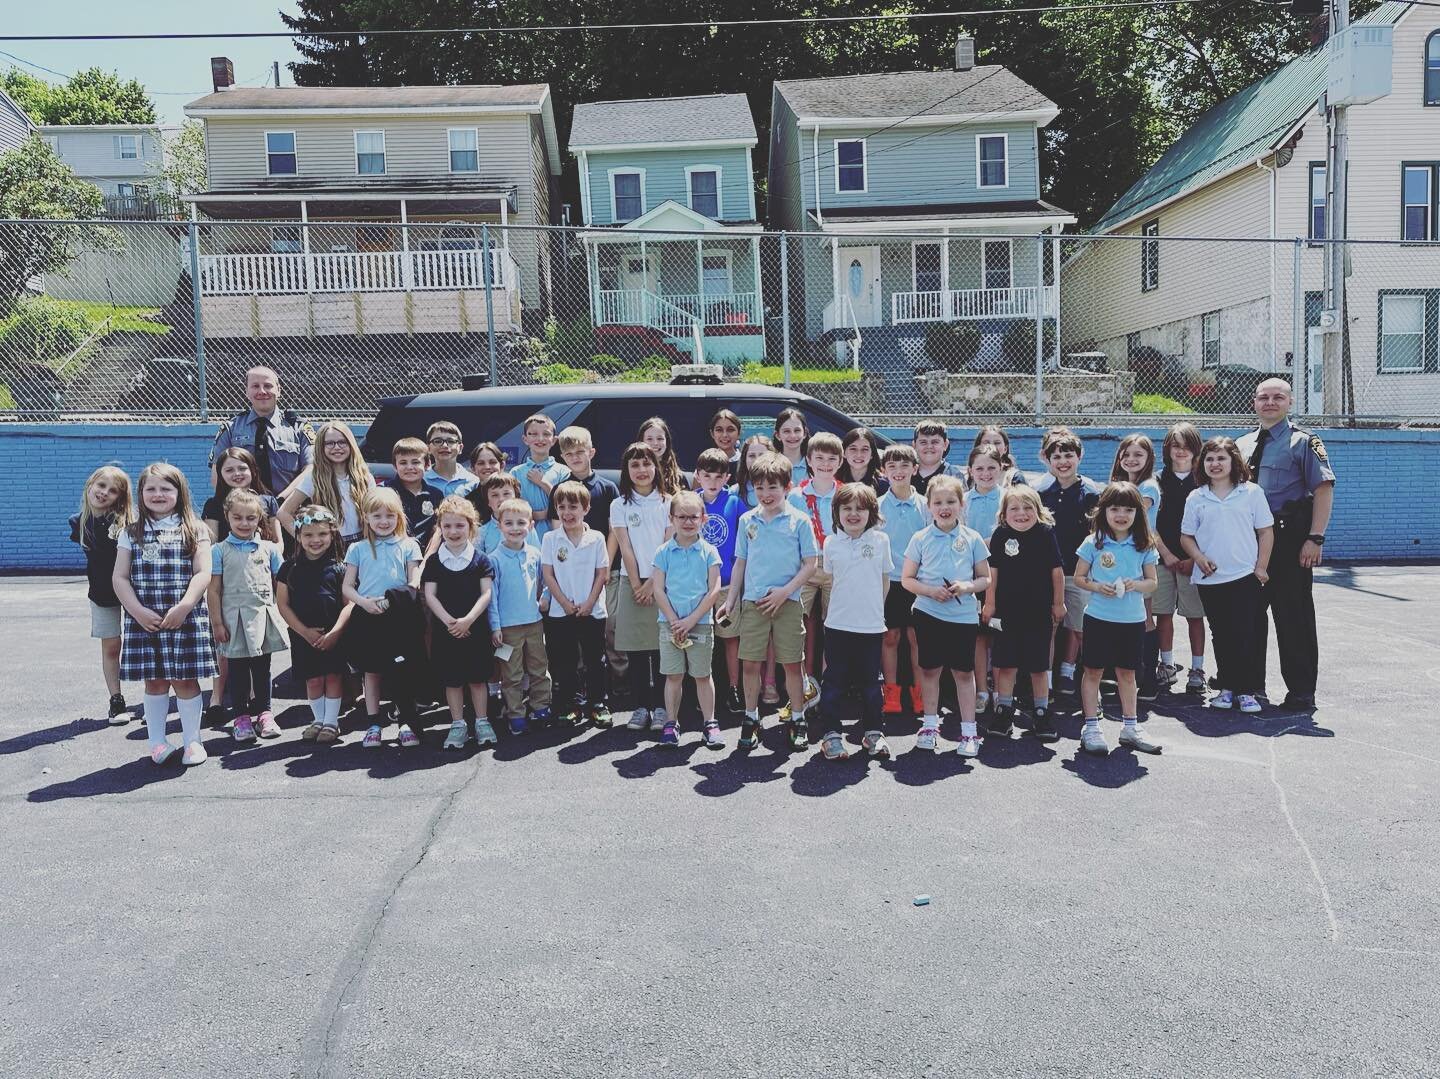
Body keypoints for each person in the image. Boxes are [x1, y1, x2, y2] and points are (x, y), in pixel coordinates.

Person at [1234, 378, 1335, 709]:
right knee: (1248, 616)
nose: (1270, 402)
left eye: (1278, 397)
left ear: (1290, 402)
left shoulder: (1304, 442)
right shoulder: (1241, 444)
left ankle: (1301, 691)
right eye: (1264, 397)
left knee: (1294, 617)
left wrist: (1315, 538)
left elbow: (1323, 489)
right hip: (1249, 542)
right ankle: (1251, 687)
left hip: (1289, 540)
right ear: (1254, 402)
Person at [112, 463, 215, 767]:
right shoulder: (130, 532)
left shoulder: (195, 529)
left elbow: (203, 572)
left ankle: (192, 741)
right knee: (155, 682)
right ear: (140, 493)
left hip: (185, 618)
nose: (158, 494)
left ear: (179, 493)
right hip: (145, 621)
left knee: (184, 681)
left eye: (166, 488)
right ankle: (157, 742)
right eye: (151, 489)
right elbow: (119, 577)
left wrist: (185, 606)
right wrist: (137, 611)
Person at [720, 451, 818, 752]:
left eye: (772, 487)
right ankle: (751, 718)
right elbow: (740, 563)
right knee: (750, 663)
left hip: (787, 603)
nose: (765, 494)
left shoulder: (799, 521)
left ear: (787, 487)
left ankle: (798, 718)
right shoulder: (748, 520)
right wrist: (731, 600)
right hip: (754, 603)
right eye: (759, 487)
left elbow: (810, 563)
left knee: (792, 664)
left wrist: (784, 591)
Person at [1181, 437, 1274, 715]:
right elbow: (1186, 537)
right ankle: (1227, 688)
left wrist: (1261, 567)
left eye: (1221, 458)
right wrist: (1198, 558)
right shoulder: (1196, 497)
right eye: (1209, 459)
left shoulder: (1251, 492)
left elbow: (1266, 532)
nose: (1215, 464)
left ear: (1234, 461)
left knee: (1245, 634)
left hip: (1245, 576)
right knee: (1220, 635)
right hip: (1210, 579)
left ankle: (1247, 691)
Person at [901, 475, 990, 758]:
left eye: (951, 501)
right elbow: (907, 579)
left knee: (964, 673)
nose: (944, 507)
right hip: (928, 614)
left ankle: (968, 732)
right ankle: (929, 726)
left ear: (962, 504)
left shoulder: (972, 538)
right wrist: (929, 591)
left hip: (963, 617)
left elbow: (985, 578)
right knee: (929, 670)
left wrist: (967, 586)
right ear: (928, 506)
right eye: (938, 502)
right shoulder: (920, 538)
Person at [1073, 482, 1161, 756]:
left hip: (1132, 621)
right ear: (1104, 511)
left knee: (1127, 674)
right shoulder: (1093, 541)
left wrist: (1136, 584)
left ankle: (1130, 727)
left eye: (1128, 509)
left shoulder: (1144, 544)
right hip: (1099, 618)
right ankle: (1091, 726)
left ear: (1138, 513)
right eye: (1114, 509)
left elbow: (1153, 583)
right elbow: (1079, 578)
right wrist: (1098, 587)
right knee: (1093, 672)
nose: (1121, 515)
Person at [341, 487, 424, 749]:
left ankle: (405, 722)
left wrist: (396, 598)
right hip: (368, 616)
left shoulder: (409, 545)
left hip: (399, 616)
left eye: (389, 515)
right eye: (377, 516)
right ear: (366, 518)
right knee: (372, 671)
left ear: (399, 516)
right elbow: (347, 587)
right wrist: (365, 603)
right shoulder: (357, 548)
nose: (383, 521)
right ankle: (374, 724)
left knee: (402, 670)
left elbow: (414, 580)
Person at [981, 486, 1064, 741]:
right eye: (1014, 508)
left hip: (1038, 612)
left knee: (1039, 667)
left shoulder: (1046, 534)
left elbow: (1057, 573)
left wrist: (1058, 603)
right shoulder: (1000, 535)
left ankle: (1041, 712)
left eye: (1028, 507)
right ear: (1004, 513)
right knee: (1006, 665)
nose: (1022, 513)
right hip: (1005, 613)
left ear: (1038, 511)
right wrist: (989, 603)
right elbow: (991, 574)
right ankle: (1004, 711)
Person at [207, 490, 288, 743]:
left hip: (262, 616)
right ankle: (241, 717)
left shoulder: (270, 549)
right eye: (238, 518)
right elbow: (214, 590)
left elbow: (280, 586)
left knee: (263, 669)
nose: (244, 523)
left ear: (259, 518)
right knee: (238, 670)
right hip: (233, 620)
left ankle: (264, 713)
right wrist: (217, 622)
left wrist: (284, 615)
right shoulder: (218, 551)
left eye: (251, 518)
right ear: (227, 517)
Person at [817, 483, 891, 761]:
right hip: (838, 626)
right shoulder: (831, 542)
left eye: (860, 508)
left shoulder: (881, 541)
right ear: (836, 512)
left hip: (871, 627)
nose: (853, 514)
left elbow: (884, 582)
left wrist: (873, 612)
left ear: (871, 512)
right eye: (846, 508)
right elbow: (833, 580)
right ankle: (831, 735)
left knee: (871, 684)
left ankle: (873, 733)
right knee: (834, 682)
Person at [552, 425, 623, 707]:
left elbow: (614, 529)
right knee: (575, 642)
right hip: (570, 577)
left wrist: (602, 565)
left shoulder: (607, 487)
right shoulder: (560, 489)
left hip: (606, 569)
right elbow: (559, 534)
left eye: (580, 452)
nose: (575, 457)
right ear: (563, 457)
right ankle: (578, 691)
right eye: (569, 454)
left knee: (609, 632)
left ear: (591, 452)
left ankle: (617, 685)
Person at [421, 496, 497, 751]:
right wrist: (448, 621)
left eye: (459, 526)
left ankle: (482, 721)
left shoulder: (481, 559)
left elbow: (486, 593)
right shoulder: (433, 562)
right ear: (440, 528)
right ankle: (457, 724)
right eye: (447, 526)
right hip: (446, 631)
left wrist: (468, 620)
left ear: (471, 527)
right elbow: (429, 594)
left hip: (475, 630)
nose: (453, 532)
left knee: (477, 678)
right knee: (452, 680)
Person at [651, 491, 724, 749]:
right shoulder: (663, 552)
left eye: (694, 516)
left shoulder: (709, 551)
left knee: (703, 675)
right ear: (672, 518)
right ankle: (671, 723)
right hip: (670, 624)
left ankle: (710, 723)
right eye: (681, 516)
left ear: (703, 519)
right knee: (674, 675)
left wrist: (691, 620)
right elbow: (658, 589)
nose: (688, 522)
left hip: (700, 623)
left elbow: (714, 589)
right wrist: (673, 620)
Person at [610, 443, 674, 732]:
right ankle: (640, 707)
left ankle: (661, 707)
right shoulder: (619, 504)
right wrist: (637, 584)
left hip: (662, 582)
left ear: (656, 467)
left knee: (661, 648)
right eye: (634, 465)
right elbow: (625, 546)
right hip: (630, 582)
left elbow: (667, 545)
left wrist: (652, 583)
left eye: (647, 464)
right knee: (636, 650)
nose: (641, 470)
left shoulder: (668, 502)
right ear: (627, 470)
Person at [1035, 428, 1102, 698]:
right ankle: (1047, 679)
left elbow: (1096, 534)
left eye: (1068, 455)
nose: (1063, 461)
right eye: (1057, 456)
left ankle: (1068, 671)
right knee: (1048, 627)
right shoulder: (1041, 493)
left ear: (1079, 456)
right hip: (1048, 572)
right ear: (1048, 460)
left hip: (1078, 572)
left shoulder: (1090, 493)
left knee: (1078, 626)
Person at [276, 505, 352, 744]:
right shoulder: (289, 568)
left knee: (332, 677)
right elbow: (283, 604)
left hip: (333, 635)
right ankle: (318, 719)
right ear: (298, 536)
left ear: (332, 534)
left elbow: (349, 604)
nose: (316, 540)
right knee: (313, 679)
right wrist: (304, 631)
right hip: (303, 635)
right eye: (308, 535)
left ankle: (331, 722)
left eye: (322, 534)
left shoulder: (341, 567)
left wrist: (336, 632)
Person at [541, 481, 611, 728]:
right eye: (562, 507)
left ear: (586, 508)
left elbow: (602, 573)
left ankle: (597, 704)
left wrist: (590, 602)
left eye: (573, 506)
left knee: (595, 660)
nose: (567, 512)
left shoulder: (596, 538)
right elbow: (548, 575)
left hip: (592, 610)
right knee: (566, 661)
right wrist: (564, 603)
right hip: (562, 611)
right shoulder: (550, 538)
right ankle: (571, 704)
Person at [70, 465, 133, 723]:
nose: (104, 492)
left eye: (113, 490)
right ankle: (116, 700)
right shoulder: (78, 523)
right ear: (90, 485)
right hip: (101, 593)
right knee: (111, 646)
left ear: (120, 497)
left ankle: (156, 697)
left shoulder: (124, 524)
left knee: (147, 643)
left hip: (133, 591)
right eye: (101, 486)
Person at [489, 496, 553, 734]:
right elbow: (491, 597)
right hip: (507, 628)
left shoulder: (535, 554)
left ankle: (541, 706)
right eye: (509, 523)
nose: (515, 528)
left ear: (530, 525)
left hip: (534, 623)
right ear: (499, 526)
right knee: (511, 673)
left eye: (520, 522)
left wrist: (545, 597)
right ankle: (515, 713)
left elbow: (546, 582)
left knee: (539, 667)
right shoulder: (494, 560)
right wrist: (495, 626)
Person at [1153, 422, 1208, 695]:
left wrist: (1193, 558)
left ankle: (1198, 669)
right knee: (1163, 614)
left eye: (1187, 446)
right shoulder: (1156, 481)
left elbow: (1210, 526)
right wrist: (1168, 555)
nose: (1181, 451)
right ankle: (1166, 665)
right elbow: (1150, 525)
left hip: (1194, 563)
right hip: (1163, 560)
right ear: (1167, 449)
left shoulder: (1205, 481)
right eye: (1176, 445)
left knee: (1195, 616)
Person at [789, 431, 842, 704]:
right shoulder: (796, 496)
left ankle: (829, 682)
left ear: (840, 462)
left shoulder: (843, 494)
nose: (825, 463)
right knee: (796, 623)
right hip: (805, 565)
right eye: (819, 458)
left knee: (833, 626)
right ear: (808, 460)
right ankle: (802, 684)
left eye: (831, 458)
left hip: (835, 567)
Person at [1111, 433, 1164, 700]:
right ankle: (1123, 674)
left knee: (1144, 617)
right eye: (1126, 454)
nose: (1131, 459)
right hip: (1119, 555)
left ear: (1149, 458)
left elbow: (1133, 518)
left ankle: (1148, 678)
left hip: (1138, 557)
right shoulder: (1121, 484)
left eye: (1138, 455)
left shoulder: (1148, 487)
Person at [878, 444, 928, 717]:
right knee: (890, 637)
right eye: (892, 466)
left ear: (915, 469)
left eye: (904, 466)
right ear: (884, 471)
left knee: (916, 638)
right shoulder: (877, 506)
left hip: (918, 582)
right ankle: (892, 692)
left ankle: (920, 693)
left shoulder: (925, 505)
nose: (898, 472)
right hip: (889, 582)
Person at [209, 365, 312, 495]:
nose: (262, 391)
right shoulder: (231, 428)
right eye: (255, 386)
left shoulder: (298, 428)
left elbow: (311, 470)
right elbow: (217, 475)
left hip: (288, 508)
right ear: (246, 391)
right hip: (243, 510)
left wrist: (283, 502)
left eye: (268, 386)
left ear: (279, 390)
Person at [695, 449, 745, 713]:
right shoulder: (691, 502)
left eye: (718, 476)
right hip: (698, 586)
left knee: (730, 637)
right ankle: (698, 691)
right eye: (707, 476)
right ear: (698, 476)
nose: (712, 482)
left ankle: (734, 688)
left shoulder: (734, 501)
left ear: (727, 477)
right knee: (699, 637)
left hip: (727, 586)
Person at [280, 422, 374, 546]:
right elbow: (283, 513)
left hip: (362, 543)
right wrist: (304, 540)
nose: (337, 447)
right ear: (321, 447)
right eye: (330, 443)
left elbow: (375, 512)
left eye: (342, 442)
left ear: (351, 444)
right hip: (330, 545)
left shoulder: (364, 476)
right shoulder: (314, 477)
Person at [965, 445, 1005, 710]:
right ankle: (981, 689)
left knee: (1000, 633)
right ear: (970, 471)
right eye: (979, 468)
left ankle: (1002, 690)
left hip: (1004, 575)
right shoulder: (963, 500)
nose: (986, 473)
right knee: (978, 635)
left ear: (1001, 469)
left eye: (991, 467)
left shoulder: (1008, 499)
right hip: (972, 575)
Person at [203, 448, 280, 543]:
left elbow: (279, 543)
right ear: (220, 474)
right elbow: (211, 544)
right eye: (229, 470)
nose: (237, 474)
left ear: (253, 471)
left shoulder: (269, 502)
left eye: (242, 468)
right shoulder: (213, 505)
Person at [511, 413, 569, 539]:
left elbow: (566, 503)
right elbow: (511, 507)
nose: (540, 439)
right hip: (524, 538)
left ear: (554, 440)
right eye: (534, 434)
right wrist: (534, 515)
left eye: (546, 434)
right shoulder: (516, 473)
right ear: (525, 439)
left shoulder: (563, 472)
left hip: (556, 535)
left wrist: (543, 483)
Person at [383, 437, 444, 553]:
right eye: (403, 462)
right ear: (395, 466)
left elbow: (438, 531)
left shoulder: (436, 495)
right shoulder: (385, 492)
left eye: (415, 462)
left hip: (426, 556)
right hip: (393, 554)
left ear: (427, 464)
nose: (409, 467)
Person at [475, 474, 539, 556]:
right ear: (488, 501)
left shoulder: (526, 528)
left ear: (516, 496)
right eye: (495, 495)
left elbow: (537, 556)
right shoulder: (482, 532)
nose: (501, 499)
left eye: (506, 494)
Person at [423, 421, 480, 498]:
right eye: (438, 441)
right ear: (428, 448)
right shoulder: (421, 480)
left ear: (460, 448)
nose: (445, 445)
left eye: (451, 441)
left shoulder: (473, 482)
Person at [911, 419, 963, 495]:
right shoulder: (906, 474)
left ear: (945, 444)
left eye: (935, 442)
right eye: (923, 442)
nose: (929, 446)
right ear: (914, 445)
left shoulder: (954, 475)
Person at [639, 416, 686, 495]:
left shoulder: (679, 477)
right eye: (649, 439)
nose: (655, 443)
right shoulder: (634, 474)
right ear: (641, 442)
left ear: (667, 442)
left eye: (660, 438)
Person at [732, 434, 776, 510]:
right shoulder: (735, 492)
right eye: (752, 456)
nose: (757, 460)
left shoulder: (783, 489)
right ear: (744, 459)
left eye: (762, 455)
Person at [838, 427, 888, 493]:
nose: (859, 455)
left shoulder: (883, 485)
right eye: (853, 449)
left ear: (872, 454)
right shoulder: (834, 482)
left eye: (865, 449)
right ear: (844, 453)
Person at [773, 408, 811, 485]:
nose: (792, 436)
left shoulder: (815, 464)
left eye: (797, 430)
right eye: (786, 431)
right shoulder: (771, 465)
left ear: (804, 434)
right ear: (778, 435)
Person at [708, 408, 743, 481]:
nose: (724, 435)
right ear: (712, 434)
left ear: (739, 433)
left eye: (730, 430)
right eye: (719, 430)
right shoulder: (705, 462)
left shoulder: (745, 462)